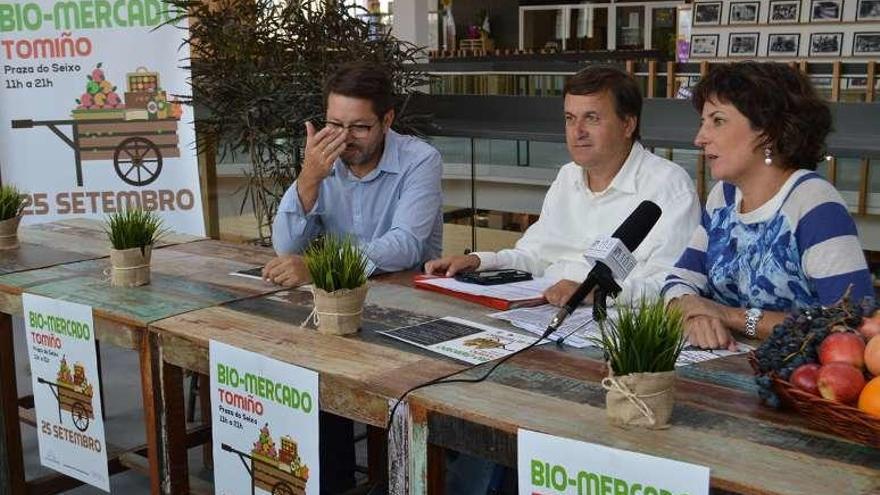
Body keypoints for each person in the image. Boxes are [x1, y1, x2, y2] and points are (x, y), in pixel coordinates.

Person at [425, 65, 700, 306]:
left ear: (628, 124)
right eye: (570, 118)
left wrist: (595, 293)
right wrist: (480, 261)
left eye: (591, 118)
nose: (577, 131)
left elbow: (671, 286)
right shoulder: (568, 177)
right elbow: (534, 255)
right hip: (543, 311)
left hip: (614, 325)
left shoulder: (668, 187)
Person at [663, 62, 873, 350]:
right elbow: (679, 279)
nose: (699, 138)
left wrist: (729, 316)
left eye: (718, 121)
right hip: (724, 376)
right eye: (703, 122)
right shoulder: (724, 197)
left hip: (797, 383)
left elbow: (852, 324)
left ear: (769, 132)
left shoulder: (815, 204)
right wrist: (692, 315)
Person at [263, 61, 443, 286]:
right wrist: (309, 177)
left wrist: (323, 266)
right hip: (337, 296)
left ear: (386, 120)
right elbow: (286, 248)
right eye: (335, 124)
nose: (344, 138)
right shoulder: (321, 160)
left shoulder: (420, 160)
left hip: (408, 296)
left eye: (359, 127)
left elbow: (406, 246)